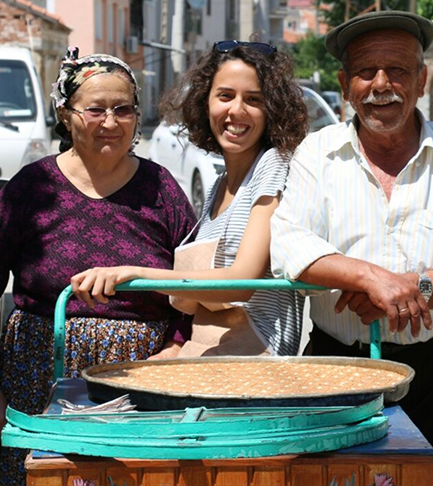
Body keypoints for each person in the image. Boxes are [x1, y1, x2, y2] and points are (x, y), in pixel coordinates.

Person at [270, 11, 433, 486]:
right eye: (366, 72)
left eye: (398, 71)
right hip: (335, 369)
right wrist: (366, 277)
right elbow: (288, 243)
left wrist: (408, 288)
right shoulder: (315, 155)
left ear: (421, 80)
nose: (382, 84)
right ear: (344, 83)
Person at [0, 48, 196, 485]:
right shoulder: (32, 187)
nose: (110, 122)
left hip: (139, 382)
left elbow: (196, 282)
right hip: (37, 377)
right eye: (96, 109)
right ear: (66, 115)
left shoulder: (160, 188)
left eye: (123, 109)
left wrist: (177, 349)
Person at [71, 40, 310, 357]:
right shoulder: (220, 185)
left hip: (256, 358)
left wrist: (136, 273)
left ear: (273, 110)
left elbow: (241, 281)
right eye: (225, 96)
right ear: (204, 102)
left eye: (253, 100)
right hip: (210, 348)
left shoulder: (273, 166)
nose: (236, 110)